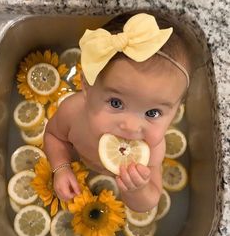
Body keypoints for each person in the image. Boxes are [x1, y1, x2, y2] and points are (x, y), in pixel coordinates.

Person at [43, 12, 191, 212]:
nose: (130, 127)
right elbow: (53, 136)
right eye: (116, 103)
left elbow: (149, 202)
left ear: (175, 112)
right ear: (87, 85)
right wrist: (61, 167)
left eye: (153, 113)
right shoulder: (73, 112)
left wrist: (138, 189)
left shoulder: (152, 151)